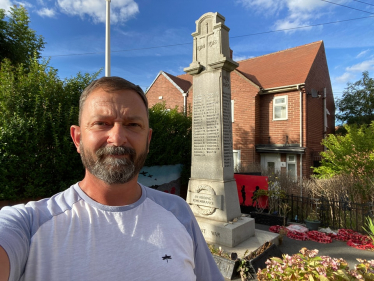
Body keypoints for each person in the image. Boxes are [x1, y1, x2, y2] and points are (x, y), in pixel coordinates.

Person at [0, 76, 224, 281]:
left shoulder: (179, 212)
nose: (117, 138)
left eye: (132, 125)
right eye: (102, 123)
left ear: (148, 139)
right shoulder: (27, 225)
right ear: (77, 138)